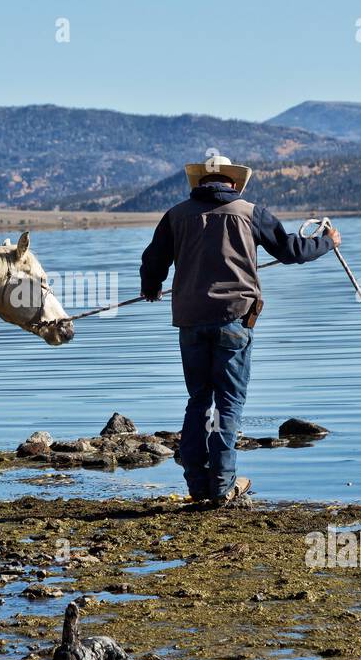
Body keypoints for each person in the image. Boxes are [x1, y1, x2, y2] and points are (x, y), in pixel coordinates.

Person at [139, 155, 340, 506]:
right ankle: (221, 486)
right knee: (228, 404)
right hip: (234, 321)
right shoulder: (250, 213)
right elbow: (292, 250)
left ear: (200, 182)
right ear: (234, 183)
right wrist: (327, 242)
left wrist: (152, 286)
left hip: (190, 322)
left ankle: (198, 484)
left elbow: (153, 259)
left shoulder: (176, 215)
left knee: (199, 401)